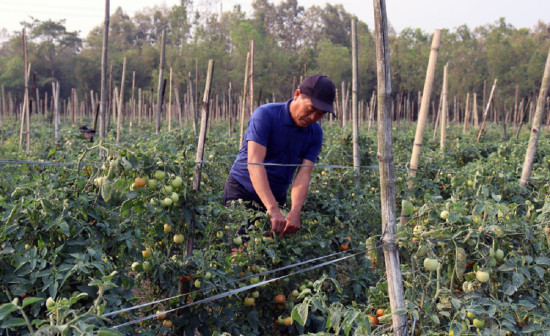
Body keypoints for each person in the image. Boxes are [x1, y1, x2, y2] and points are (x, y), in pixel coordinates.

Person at [223, 74, 335, 237]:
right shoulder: (266, 115)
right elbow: (254, 164)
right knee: (240, 253)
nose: (313, 117)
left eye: (320, 114)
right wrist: (273, 209)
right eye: (311, 109)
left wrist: (295, 211)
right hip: (242, 191)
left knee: (270, 254)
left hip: (276, 196)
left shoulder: (315, 133)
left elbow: (303, 175)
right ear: (297, 95)